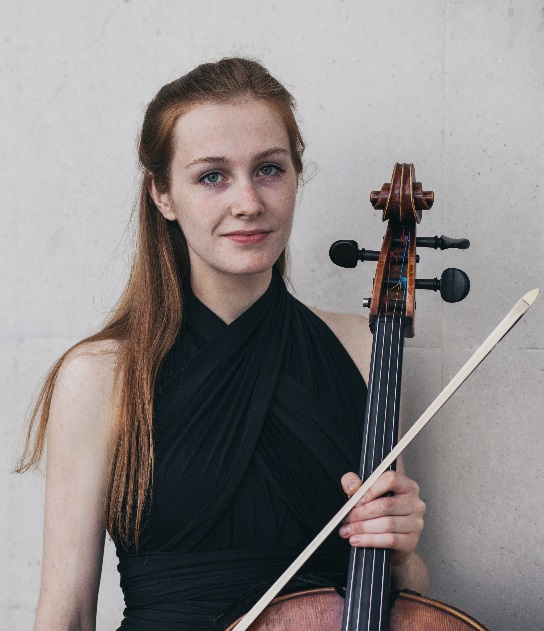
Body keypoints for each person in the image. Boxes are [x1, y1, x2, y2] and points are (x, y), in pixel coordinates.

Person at [18, 57, 427, 630]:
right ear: (163, 194)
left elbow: (405, 596)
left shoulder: (363, 344)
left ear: (296, 176)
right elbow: (67, 613)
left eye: (269, 169)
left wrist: (402, 553)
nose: (249, 203)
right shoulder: (99, 375)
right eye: (212, 176)